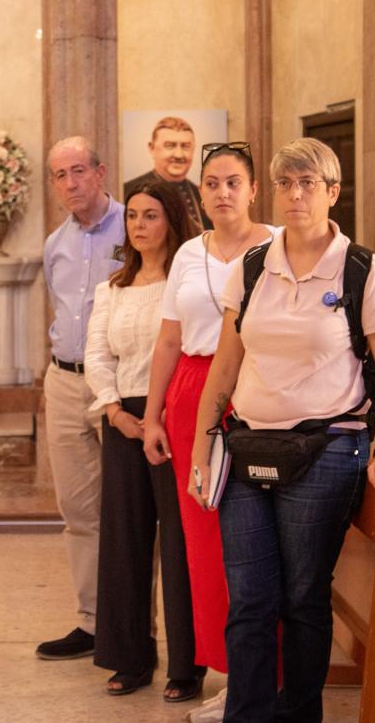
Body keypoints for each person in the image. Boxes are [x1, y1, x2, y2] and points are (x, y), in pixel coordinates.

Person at [187, 137, 375, 722]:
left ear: (333, 193)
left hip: (327, 450)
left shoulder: (361, 268)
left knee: (302, 597)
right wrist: (200, 446)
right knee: (250, 600)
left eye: (308, 184)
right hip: (248, 446)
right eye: (286, 183)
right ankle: (247, 715)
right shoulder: (254, 265)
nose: (295, 195)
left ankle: (299, 715)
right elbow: (225, 362)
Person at [140, 142, 274, 697]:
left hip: (259, 393)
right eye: (212, 183)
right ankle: (227, 674)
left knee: (258, 539)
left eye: (233, 182)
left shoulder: (278, 246)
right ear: (201, 190)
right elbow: (170, 337)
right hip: (192, 391)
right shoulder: (189, 256)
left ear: (252, 189)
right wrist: (152, 417)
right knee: (203, 541)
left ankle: (268, 673)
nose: (223, 192)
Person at [85, 180, 198, 699]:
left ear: (171, 221)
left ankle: (186, 666)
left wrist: (155, 415)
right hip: (123, 419)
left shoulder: (188, 282)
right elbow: (97, 354)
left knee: (178, 543)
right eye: (133, 216)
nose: (139, 225)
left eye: (151, 216)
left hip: (175, 419)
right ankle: (130, 657)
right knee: (125, 540)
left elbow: (188, 349)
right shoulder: (113, 288)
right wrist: (113, 410)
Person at [37, 136, 125, 661]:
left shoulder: (134, 230)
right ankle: (93, 622)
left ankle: (138, 621)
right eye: (59, 175)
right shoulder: (56, 244)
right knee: (78, 508)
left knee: (131, 510)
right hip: (65, 383)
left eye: (78, 171)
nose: (70, 183)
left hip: (116, 385)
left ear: (100, 171)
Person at [124, 116, 211, 233]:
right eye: (170, 146)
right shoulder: (126, 192)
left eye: (186, 146)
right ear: (152, 148)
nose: (179, 155)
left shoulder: (203, 195)